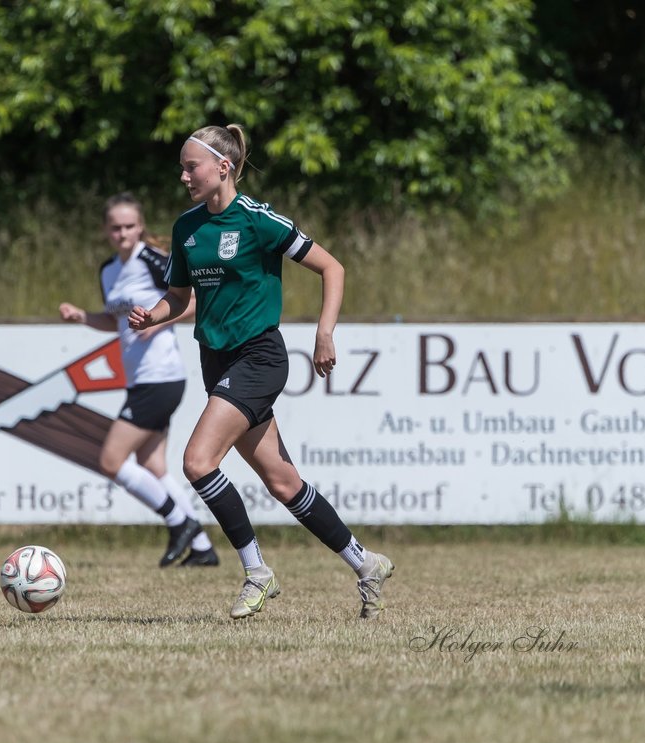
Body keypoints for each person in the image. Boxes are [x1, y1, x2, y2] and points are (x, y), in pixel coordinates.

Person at [129, 124, 395, 619]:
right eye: (183, 167)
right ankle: (366, 563)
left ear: (223, 167)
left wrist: (324, 332)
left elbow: (332, 268)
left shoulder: (257, 220)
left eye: (192, 166)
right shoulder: (187, 228)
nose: (183, 175)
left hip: (260, 358)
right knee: (282, 482)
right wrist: (155, 315)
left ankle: (257, 572)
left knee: (197, 462)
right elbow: (181, 298)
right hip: (217, 360)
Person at [59, 192, 218, 568]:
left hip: (160, 376)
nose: (123, 233)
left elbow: (195, 299)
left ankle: (180, 523)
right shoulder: (108, 270)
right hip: (140, 379)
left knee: (112, 460)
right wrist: (82, 316)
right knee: (153, 466)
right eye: (115, 227)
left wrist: (159, 319)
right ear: (105, 230)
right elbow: (112, 320)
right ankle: (202, 549)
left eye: (129, 226)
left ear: (141, 226)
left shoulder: (153, 259)